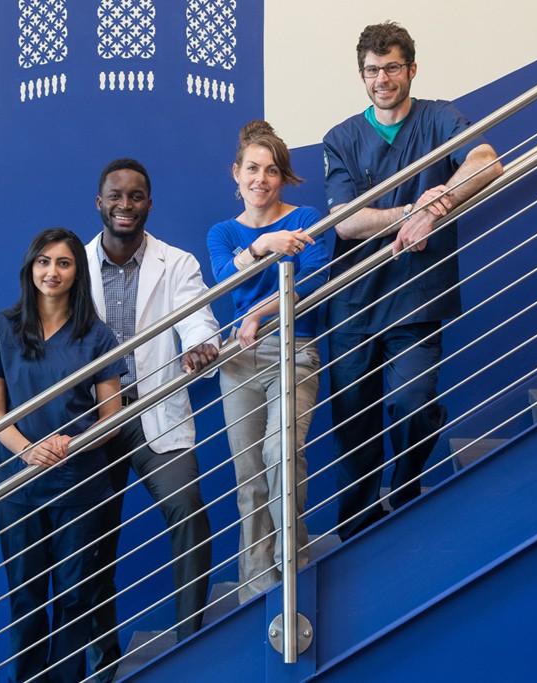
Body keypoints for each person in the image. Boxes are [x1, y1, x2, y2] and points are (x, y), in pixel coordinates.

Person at [322, 22, 502, 540]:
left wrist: (440, 201)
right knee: (354, 423)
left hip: (416, 296)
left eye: (392, 67)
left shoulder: (438, 117)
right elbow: (346, 222)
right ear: (362, 75)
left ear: (411, 70)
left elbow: (487, 160)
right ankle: (355, 528)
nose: (383, 79)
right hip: (354, 303)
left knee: (413, 399)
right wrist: (411, 213)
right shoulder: (342, 138)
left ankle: (403, 490)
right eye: (373, 70)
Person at [86, 158, 220, 680]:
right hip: (94, 420)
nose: (125, 205)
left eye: (136, 196)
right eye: (115, 196)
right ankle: (103, 661)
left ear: (149, 203)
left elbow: (197, 317)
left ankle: (193, 642)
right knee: (92, 542)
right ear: (99, 203)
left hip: (154, 410)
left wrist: (200, 347)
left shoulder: (176, 262)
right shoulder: (72, 262)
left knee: (189, 512)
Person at [0, 227, 126, 682]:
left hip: (80, 484)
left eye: (63, 263)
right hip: (20, 488)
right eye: (44, 261)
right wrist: (29, 451)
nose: (52, 272)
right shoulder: (1, 327)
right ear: (30, 268)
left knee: (76, 595)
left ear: (77, 272)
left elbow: (112, 415)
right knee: (25, 596)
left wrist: (71, 444)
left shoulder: (96, 335)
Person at [206, 120, 329, 603]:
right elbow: (222, 281)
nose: (261, 179)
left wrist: (260, 311)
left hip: (291, 349)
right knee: (250, 478)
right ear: (235, 174)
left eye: (272, 170)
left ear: (283, 178)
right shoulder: (223, 232)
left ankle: (292, 569)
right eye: (252, 169)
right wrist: (262, 247)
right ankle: (257, 589)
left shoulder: (306, 219)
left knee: (281, 454)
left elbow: (315, 282)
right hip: (238, 362)